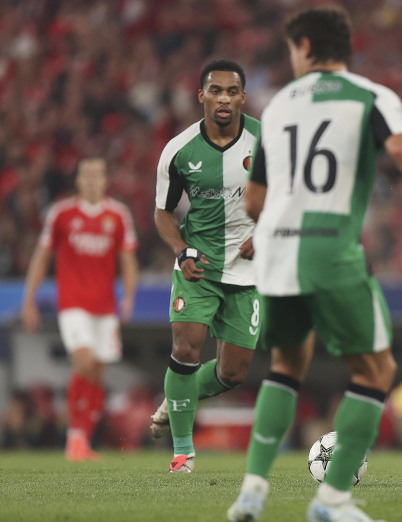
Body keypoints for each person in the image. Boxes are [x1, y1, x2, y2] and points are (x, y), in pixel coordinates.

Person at [225, 6, 402, 522]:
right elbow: (401, 148)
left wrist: (276, 221)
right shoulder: (371, 96)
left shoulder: (278, 105)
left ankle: (252, 493)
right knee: (376, 369)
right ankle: (332, 501)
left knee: (285, 368)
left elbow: (255, 200)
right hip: (329, 247)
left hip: (277, 250)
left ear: (304, 47)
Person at [152, 59, 262, 473]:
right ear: (201, 95)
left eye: (232, 91)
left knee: (233, 372)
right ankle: (183, 452)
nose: (223, 98)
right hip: (198, 264)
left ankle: (175, 399)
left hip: (249, 268)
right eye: (215, 90)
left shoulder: (264, 140)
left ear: (242, 98)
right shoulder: (178, 150)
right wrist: (181, 250)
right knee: (184, 351)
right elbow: (163, 213)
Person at [21, 157, 139, 461]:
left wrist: (128, 297)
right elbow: (42, 255)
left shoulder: (118, 214)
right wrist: (29, 299)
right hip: (73, 303)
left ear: (105, 180)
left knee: (98, 373)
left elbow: (127, 259)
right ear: (77, 180)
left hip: (105, 306)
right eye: (86, 174)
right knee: (84, 361)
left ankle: (83, 440)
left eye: (97, 175)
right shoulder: (61, 214)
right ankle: (74, 438)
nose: (91, 180)